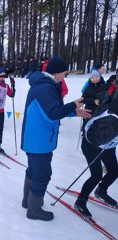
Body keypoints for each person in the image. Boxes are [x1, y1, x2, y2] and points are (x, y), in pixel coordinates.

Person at [21, 56, 91, 221]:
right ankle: (34, 210)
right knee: (42, 174)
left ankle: (28, 201)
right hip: (39, 140)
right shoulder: (45, 88)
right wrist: (74, 105)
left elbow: (53, 109)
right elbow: (53, 114)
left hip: (36, 139)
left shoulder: (45, 85)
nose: (64, 77)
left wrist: (75, 112)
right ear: (57, 73)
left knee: (33, 171)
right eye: (64, 74)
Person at [74, 71, 118, 219]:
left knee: (114, 170)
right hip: (92, 142)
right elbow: (98, 134)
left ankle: (101, 191)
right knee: (97, 174)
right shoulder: (112, 116)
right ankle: (81, 201)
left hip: (107, 143)